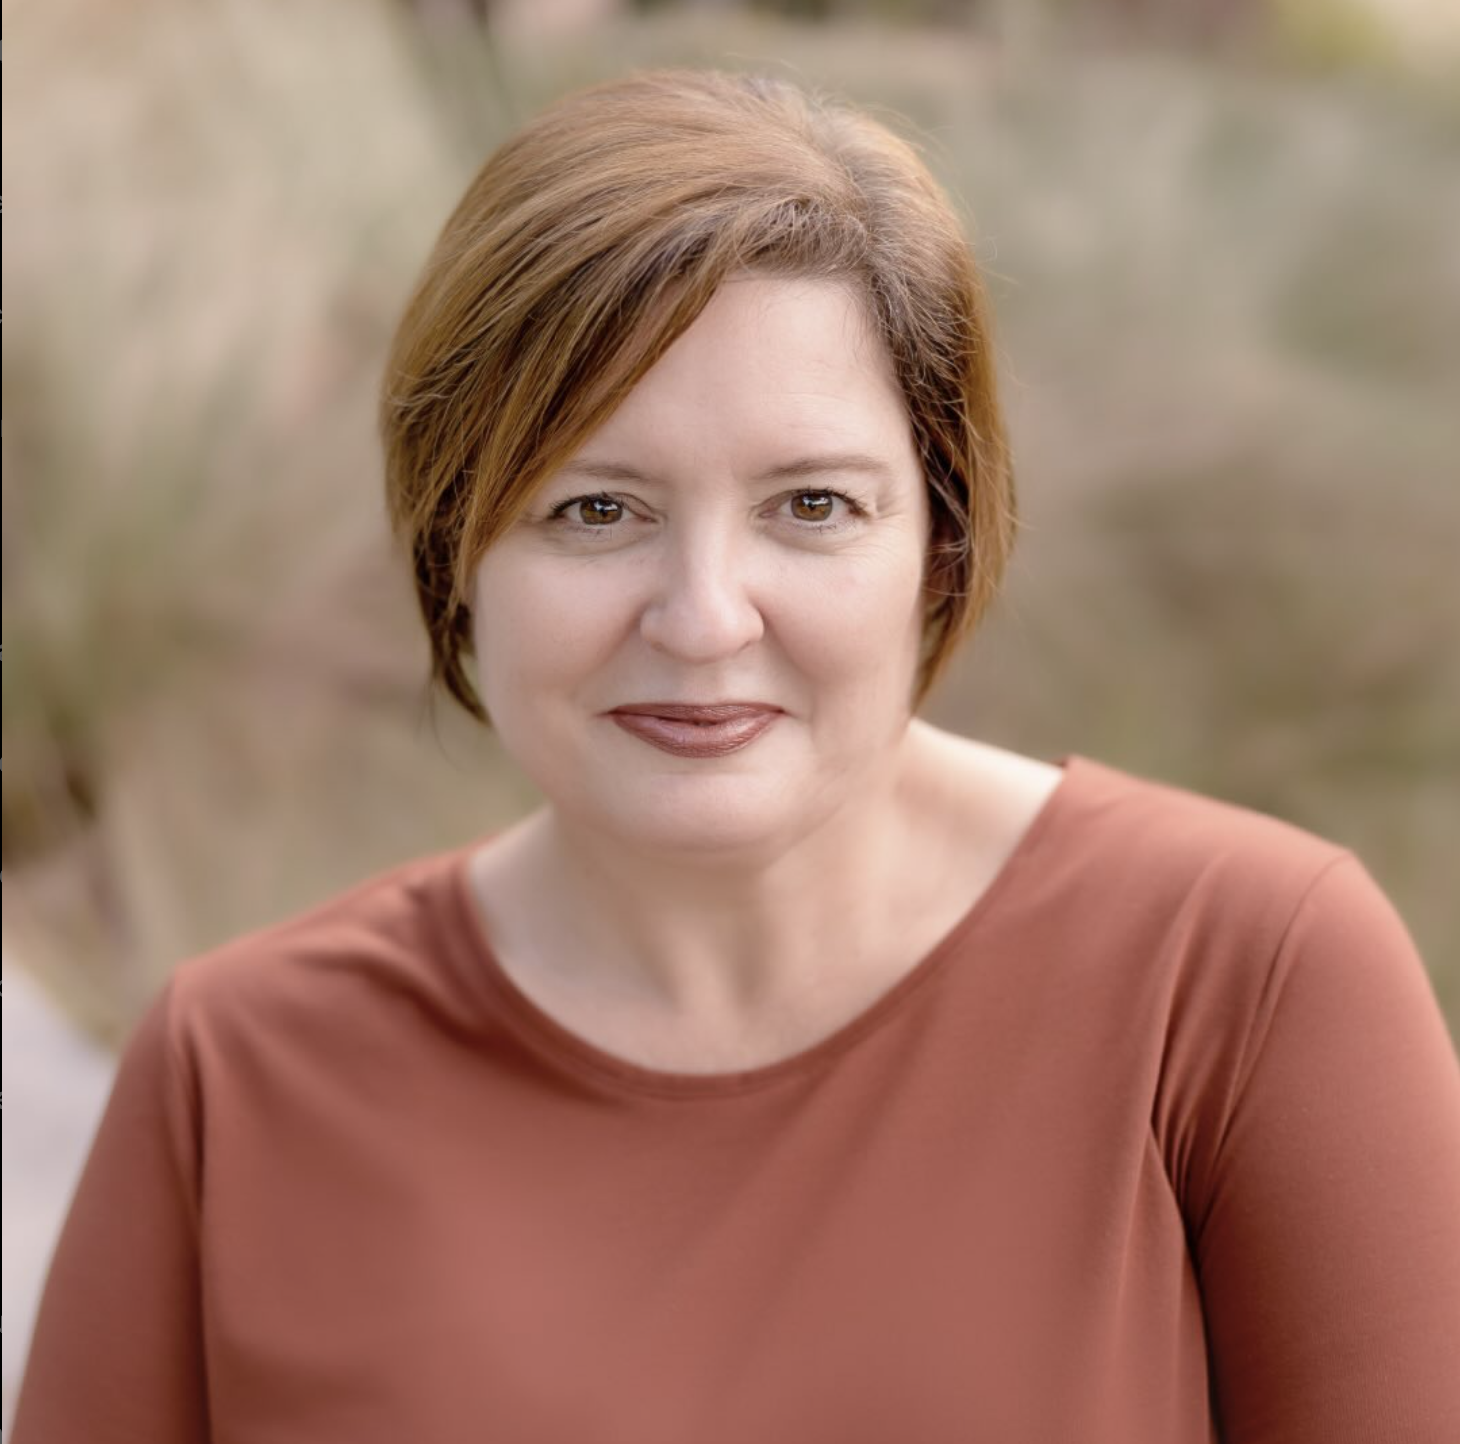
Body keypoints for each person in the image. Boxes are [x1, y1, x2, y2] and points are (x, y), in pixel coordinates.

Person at [12, 69, 1460, 1444]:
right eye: (595, 511)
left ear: (941, 544)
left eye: (812, 504)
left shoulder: (1242, 984)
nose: (704, 619)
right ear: (457, 553)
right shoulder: (239, 1077)